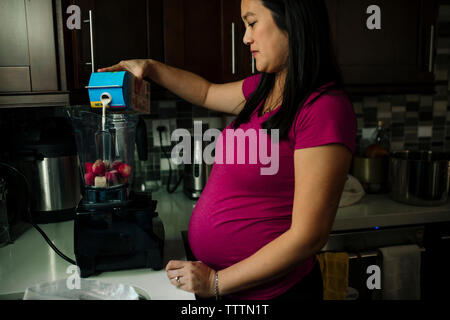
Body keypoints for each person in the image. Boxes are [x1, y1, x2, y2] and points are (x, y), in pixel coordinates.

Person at [98, 0, 356, 300]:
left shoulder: (324, 108)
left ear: (292, 23)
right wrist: (151, 68)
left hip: (270, 295)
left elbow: (307, 238)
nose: (246, 38)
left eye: (252, 23)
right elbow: (206, 92)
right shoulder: (265, 88)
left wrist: (216, 282)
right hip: (229, 288)